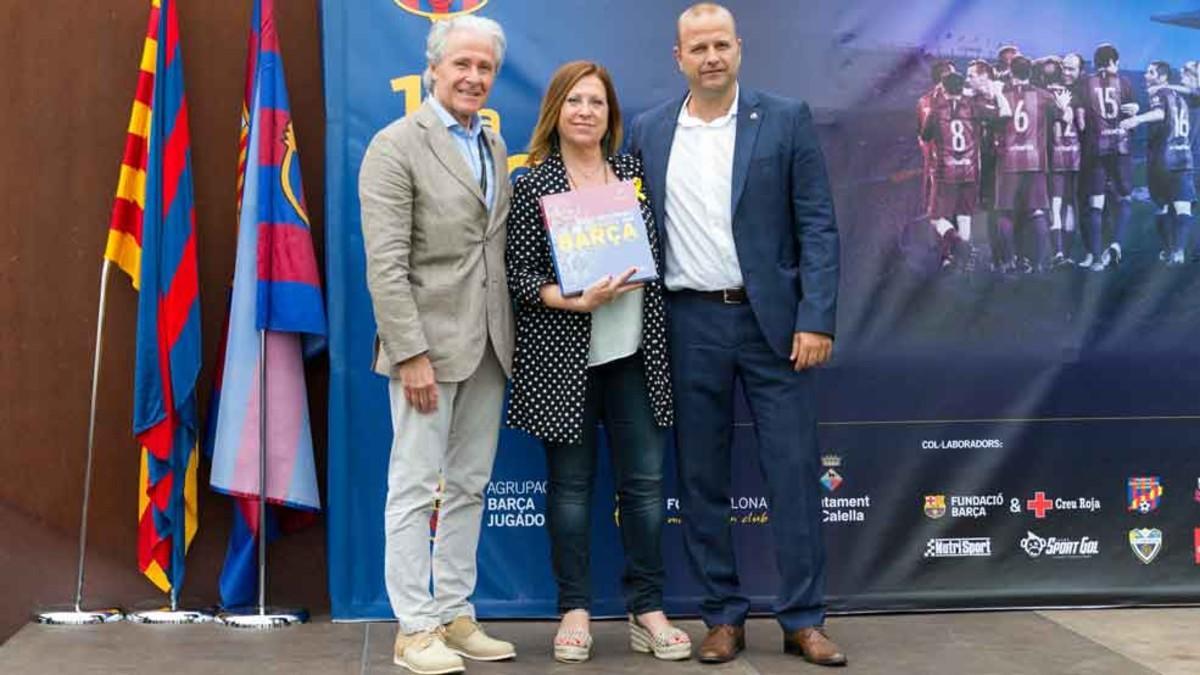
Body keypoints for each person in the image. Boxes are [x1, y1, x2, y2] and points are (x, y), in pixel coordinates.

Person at [627, 2, 845, 667]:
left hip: (774, 325)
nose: (712, 56)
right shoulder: (648, 130)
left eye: (722, 44)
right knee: (699, 477)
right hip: (687, 322)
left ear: (739, 50)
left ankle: (803, 618)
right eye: (699, 47)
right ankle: (722, 617)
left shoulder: (784, 118)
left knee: (793, 472)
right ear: (679, 58)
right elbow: (626, 225)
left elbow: (818, 225)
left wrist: (815, 316)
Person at [504, 60, 690, 664]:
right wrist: (570, 298)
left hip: (636, 353)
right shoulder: (533, 183)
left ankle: (647, 609)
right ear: (556, 110)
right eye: (576, 101)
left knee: (643, 487)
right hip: (565, 359)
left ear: (612, 116)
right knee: (571, 490)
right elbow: (517, 276)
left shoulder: (635, 174)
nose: (587, 112)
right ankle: (575, 609)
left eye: (598, 103)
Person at [359, 15, 516, 675]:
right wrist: (410, 352)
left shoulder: (493, 147)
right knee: (415, 484)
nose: (473, 77)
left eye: (484, 68)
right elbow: (386, 265)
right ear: (434, 68)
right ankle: (414, 627)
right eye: (462, 65)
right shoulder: (395, 145)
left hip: (488, 346)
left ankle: (453, 612)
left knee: (471, 485)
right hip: (424, 349)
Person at [1121, 61, 1195, 265]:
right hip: (1184, 157)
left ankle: (1169, 250)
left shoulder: (1160, 93)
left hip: (1164, 158)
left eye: (1151, 72)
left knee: (1162, 207)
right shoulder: (1182, 96)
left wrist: (1137, 119)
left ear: (1162, 77)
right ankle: (1178, 252)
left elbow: (1160, 113)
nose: (1146, 75)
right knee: (1182, 208)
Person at [1079, 43, 1138, 271]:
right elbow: (1132, 112)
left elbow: (1082, 120)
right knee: (1124, 198)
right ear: (1115, 62)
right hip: (1121, 147)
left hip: (1096, 148)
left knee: (1096, 203)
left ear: (1095, 62)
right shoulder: (1125, 83)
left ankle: (1095, 259)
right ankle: (1115, 244)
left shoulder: (1086, 83)